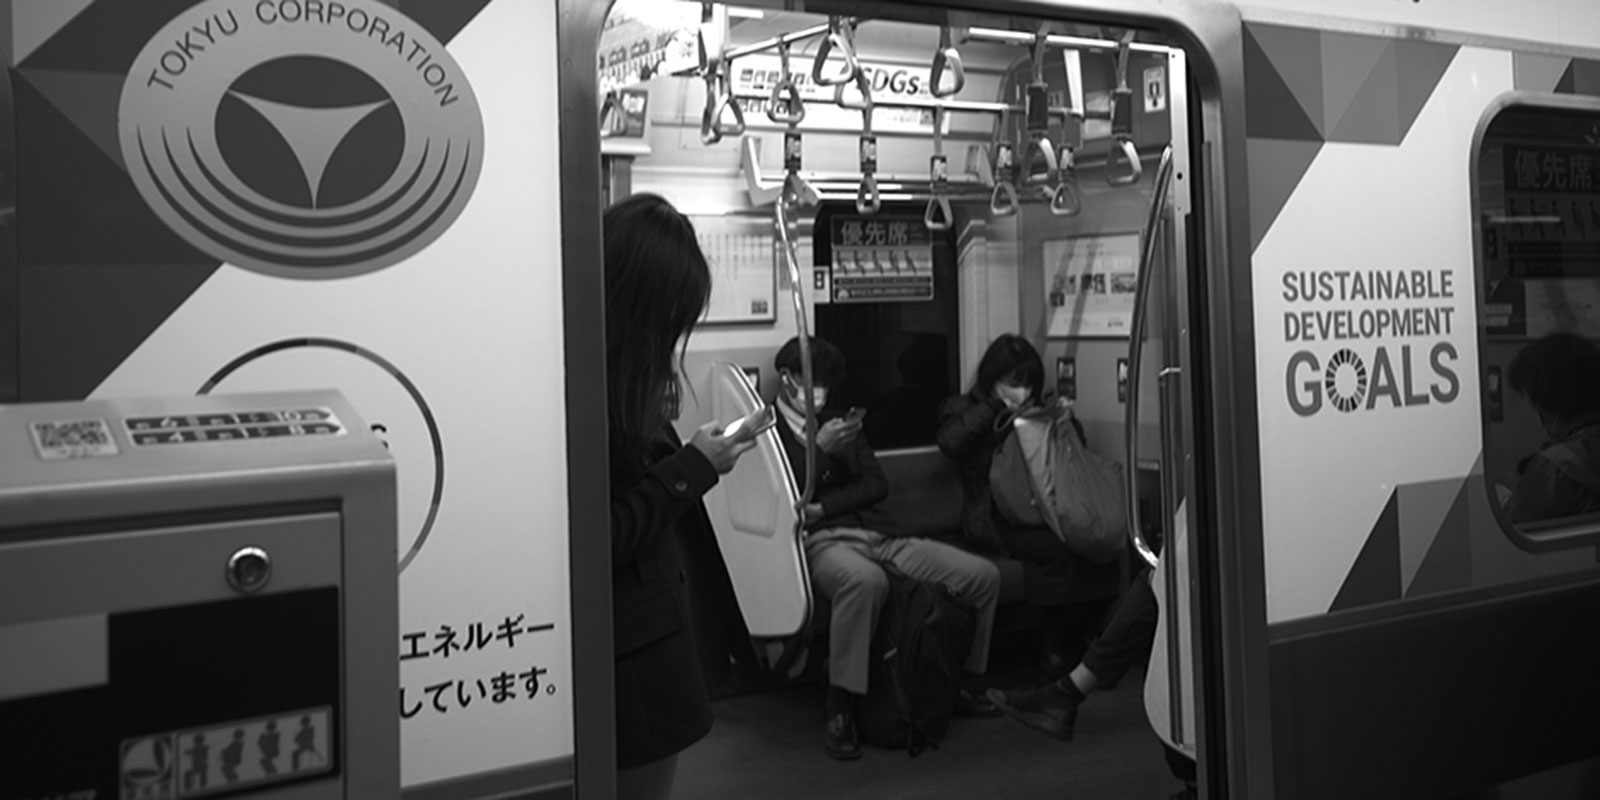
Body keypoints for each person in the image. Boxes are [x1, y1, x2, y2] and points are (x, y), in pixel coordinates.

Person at [771, 335, 1003, 760]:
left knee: (982, 577)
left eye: (827, 383)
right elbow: (782, 497)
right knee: (865, 583)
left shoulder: (841, 422)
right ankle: (840, 707)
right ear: (788, 380)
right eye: (812, 380)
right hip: (819, 543)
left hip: (879, 534)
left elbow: (875, 485)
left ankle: (958, 684)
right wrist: (820, 454)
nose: (820, 392)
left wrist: (824, 504)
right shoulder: (769, 434)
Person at [605, 193, 760, 799]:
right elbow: (601, 537)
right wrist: (692, 468)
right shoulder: (583, 391)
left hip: (652, 640)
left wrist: (686, 458)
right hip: (628, 655)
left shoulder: (624, 379)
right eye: (669, 316)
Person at [935, 334, 1118, 674]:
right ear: (993, 381)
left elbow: (1068, 456)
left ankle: (1089, 638)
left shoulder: (1038, 409)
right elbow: (950, 442)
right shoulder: (963, 409)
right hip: (994, 520)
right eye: (1014, 383)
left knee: (1098, 541)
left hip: (1044, 508)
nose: (1024, 392)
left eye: (1029, 384)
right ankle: (1051, 644)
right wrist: (994, 409)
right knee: (1059, 550)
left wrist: (1064, 421)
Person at [1502, 331, 1600, 524]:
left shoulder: (1557, 468)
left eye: (1537, 405)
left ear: (1550, 405)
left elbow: (1509, 528)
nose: (1540, 424)